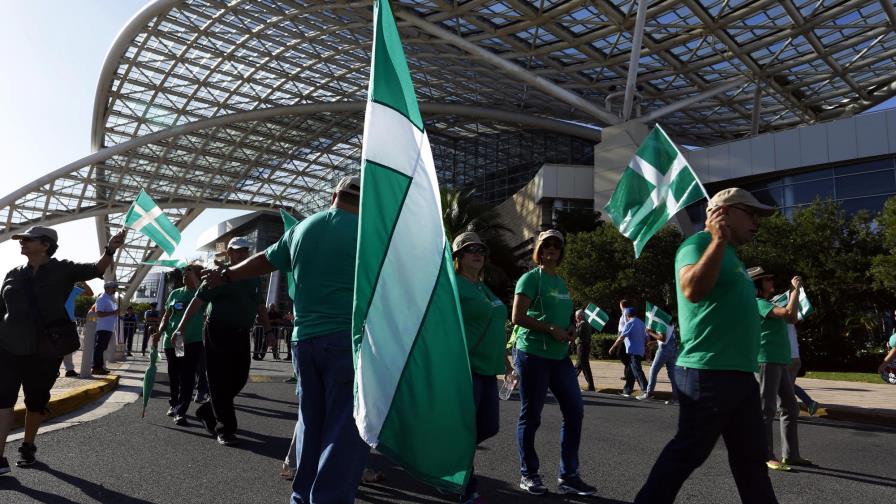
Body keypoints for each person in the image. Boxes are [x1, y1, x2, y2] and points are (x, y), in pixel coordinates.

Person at [202, 176, 369, 503]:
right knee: (345, 428)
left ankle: (301, 496)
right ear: (363, 200)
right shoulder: (368, 232)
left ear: (333, 194)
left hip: (303, 340)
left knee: (310, 422)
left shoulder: (302, 228)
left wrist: (225, 274)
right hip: (346, 339)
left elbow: (263, 260)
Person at [635, 188, 779, 504]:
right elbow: (692, 289)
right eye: (751, 213)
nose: (757, 221)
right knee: (688, 453)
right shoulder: (697, 244)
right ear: (723, 212)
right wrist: (715, 240)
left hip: (740, 374)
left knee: (751, 463)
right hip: (708, 371)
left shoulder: (733, 256)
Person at [0, 226, 125, 475]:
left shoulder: (63, 268)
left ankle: (28, 445)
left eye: (28, 239)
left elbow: (96, 269)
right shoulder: (13, 273)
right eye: (21, 239)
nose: (22, 243)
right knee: (3, 401)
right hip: (9, 347)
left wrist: (110, 248)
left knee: (35, 400)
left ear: (45, 245)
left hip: (44, 349)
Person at [511, 229, 597, 496]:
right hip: (533, 354)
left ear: (561, 252)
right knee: (532, 415)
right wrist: (549, 328)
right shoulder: (529, 279)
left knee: (574, 411)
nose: (551, 250)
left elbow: (566, 318)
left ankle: (569, 476)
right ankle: (529, 474)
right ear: (539, 250)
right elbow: (517, 316)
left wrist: (570, 328)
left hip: (559, 356)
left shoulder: (561, 283)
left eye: (556, 247)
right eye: (546, 245)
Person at [173, 237, 272, 446]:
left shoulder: (254, 276)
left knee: (240, 378)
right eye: (237, 250)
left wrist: (270, 330)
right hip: (217, 331)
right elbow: (197, 302)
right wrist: (180, 328)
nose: (242, 253)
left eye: (245, 250)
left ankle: (207, 410)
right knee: (218, 380)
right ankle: (225, 429)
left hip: (242, 333)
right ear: (229, 253)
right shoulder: (217, 275)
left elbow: (260, 306)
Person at [453, 232, 510, 503]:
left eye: (481, 249)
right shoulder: (452, 285)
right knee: (466, 431)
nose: (477, 253)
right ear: (458, 257)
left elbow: (496, 326)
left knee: (488, 426)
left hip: (490, 370)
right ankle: (463, 485)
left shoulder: (482, 287)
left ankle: (450, 460)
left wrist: (507, 362)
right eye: (469, 249)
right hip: (466, 367)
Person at [750, 267, 812, 470]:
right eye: (767, 279)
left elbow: (792, 318)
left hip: (779, 361)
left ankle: (791, 455)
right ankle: (765, 455)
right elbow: (786, 312)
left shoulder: (769, 303)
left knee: (790, 407)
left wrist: (794, 294)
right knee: (766, 410)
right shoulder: (758, 303)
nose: (771, 281)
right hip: (765, 360)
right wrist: (794, 292)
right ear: (759, 285)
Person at [153, 265, 204, 426]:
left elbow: (200, 292)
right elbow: (166, 315)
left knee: (187, 376)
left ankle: (180, 411)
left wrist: (196, 277)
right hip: (175, 340)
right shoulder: (175, 293)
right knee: (175, 375)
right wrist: (160, 332)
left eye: (189, 272)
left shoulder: (201, 292)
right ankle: (174, 403)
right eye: (184, 271)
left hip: (191, 340)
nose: (184, 274)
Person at [609, 307, 648, 398]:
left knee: (637, 370)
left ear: (627, 315)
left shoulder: (629, 323)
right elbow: (646, 337)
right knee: (631, 371)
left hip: (633, 351)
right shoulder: (641, 323)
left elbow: (621, 338)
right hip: (640, 350)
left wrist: (612, 347)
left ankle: (646, 390)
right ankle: (627, 390)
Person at [641, 321, 680, 404]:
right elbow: (669, 339)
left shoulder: (661, 323)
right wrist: (655, 342)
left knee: (653, 371)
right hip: (673, 350)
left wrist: (649, 332)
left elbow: (663, 338)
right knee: (672, 375)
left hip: (663, 351)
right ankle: (676, 398)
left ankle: (649, 394)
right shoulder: (671, 324)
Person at [786, 323, 819, 415]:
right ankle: (808, 403)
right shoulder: (792, 323)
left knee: (781, 385)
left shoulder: (781, 321)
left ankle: (792, 407)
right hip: (795, 357)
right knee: (788, 385)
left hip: (786, 357)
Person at [92, 281, 119, 375]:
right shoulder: (102, 299)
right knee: (100, 348)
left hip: (108, 328)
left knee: (102, 348)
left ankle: (100, 367)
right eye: (113, 288)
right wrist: (113, 313)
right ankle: (96, 367)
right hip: (103, 327)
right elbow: (99, 313)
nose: (115, 289)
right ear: (107, 288)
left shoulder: (110, 299)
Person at [573, 309, 595, 392]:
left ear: (579, 316)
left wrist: (576, 326)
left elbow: (576, 334)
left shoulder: (582, 324)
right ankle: (590, 386)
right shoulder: (587, 323)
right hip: (585, 346)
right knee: (580, 366)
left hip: (582, 346)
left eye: (576, 316)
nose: (576, 318)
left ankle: (591, 387)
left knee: (583, 367)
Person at [617, 299, 632, 382]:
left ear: (622, 305)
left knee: (620, 354)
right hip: (621, 335)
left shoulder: (626, 312)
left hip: (623, 336)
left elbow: (627, 324)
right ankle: (627, 374)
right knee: (624, 356)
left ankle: (631, 370)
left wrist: (623, 336)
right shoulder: (624, 312)